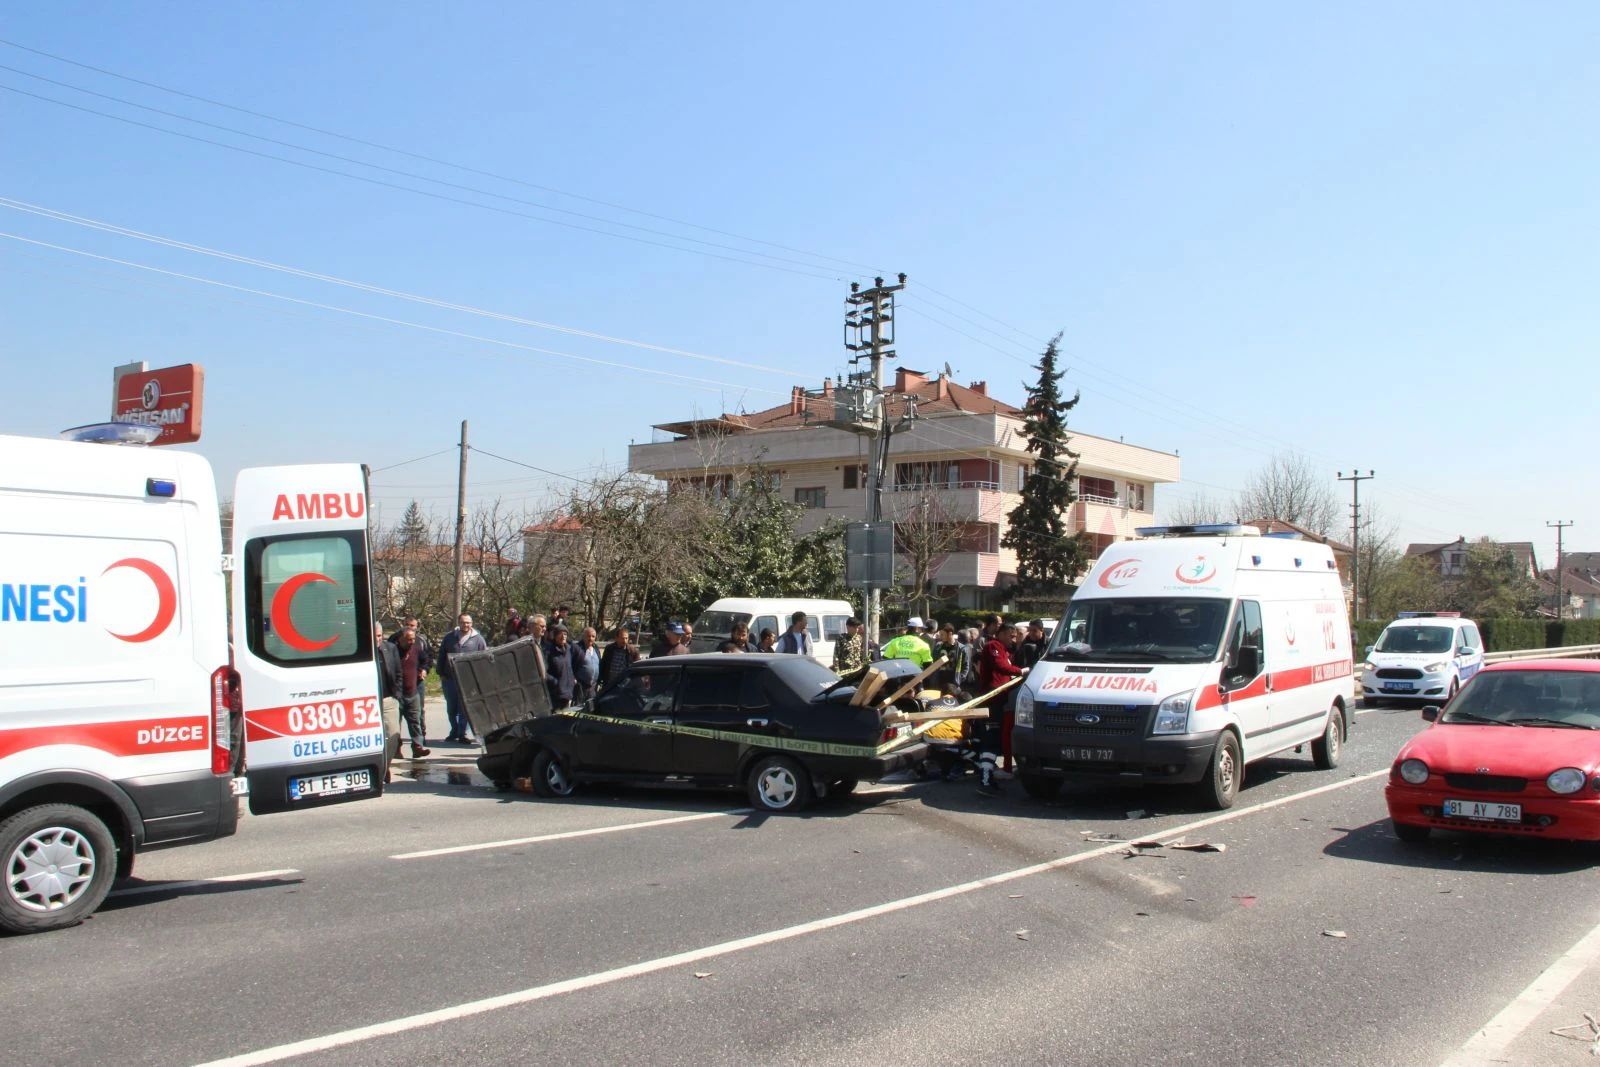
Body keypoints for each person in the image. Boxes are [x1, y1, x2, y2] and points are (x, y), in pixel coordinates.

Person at [977, 622, 1025, 794]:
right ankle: (985, 781)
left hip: (999, 701)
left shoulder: (1005, 651)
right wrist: (1021, 671)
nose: (1013, 640)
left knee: (993, 741)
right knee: (990, 741)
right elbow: (1000, 667)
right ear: (1003, 633)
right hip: (991, 700)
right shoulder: (993, 646)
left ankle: (986, 777)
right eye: (1011, 636)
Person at [437, 613, 487, 743]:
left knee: (464, 708)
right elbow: (442, 655)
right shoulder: (449, 638)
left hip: (468, 680)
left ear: (472, 623)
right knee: (451, 708)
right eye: (463, 622)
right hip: (450, 679)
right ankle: (454, 731)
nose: (466, 625)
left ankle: (462, 733)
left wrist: (480, 679)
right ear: (459, 623)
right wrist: (441, 673)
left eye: (468, 623)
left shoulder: (478, 639)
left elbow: (483, 660)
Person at [391, 626, 431, 758]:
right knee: (395, 725)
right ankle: (396, 749)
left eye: (413, 639)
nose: (411, 642)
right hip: (396, 695)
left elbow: (426, 661)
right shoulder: (392, 651)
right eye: (408, 639)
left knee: (415, 722)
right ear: (401, 639)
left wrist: (423, 669)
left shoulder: (417, 648)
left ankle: (417, 746)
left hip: (412, 692)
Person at [545, 624, 579, 710]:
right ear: (555, 636)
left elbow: (572, 667)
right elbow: (543, 672)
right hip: (555, 695)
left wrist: (572, 679)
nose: (563, 636)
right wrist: (556, 682)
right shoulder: (549, 652)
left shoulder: (569, 650)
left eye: (565, 634)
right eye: (561, 634)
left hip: (567, 693)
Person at [931, 622, 968, 697]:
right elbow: (934, 662)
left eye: (942, 634)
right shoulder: (938, 646)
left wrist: (959, 679)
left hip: (954, 683)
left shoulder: (961, 648)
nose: (940, 637)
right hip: (940, 681)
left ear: (950, 634)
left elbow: (966, 666)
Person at [575, 626, 602, 703]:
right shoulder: (577, 648)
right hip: (580, 687)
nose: (590, 638)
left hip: (593, 687)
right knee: (577, 709)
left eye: (593, 636)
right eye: (588, 636)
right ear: (583, 636)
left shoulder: (596, 648)